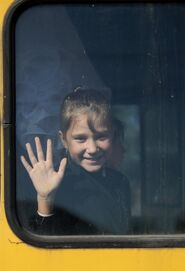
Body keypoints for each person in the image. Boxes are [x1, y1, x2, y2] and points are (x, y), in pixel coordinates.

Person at [19, 88, 130, 235]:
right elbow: (40, 246)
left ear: (113, 135)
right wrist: (45, 198)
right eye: (80, 138)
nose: (92, 148)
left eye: (101, 137)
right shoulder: (52, 181)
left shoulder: (119, 182)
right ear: (64, 139)